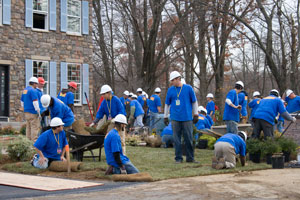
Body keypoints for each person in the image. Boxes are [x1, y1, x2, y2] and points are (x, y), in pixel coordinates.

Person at [164, 71, 199, 164]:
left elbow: (194, 102)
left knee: (189, 138)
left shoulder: (188, 88)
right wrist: (165, 116)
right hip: (175, 118)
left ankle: (190, 158)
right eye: (171, 80)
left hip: (187, 117)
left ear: (178, 79)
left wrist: (196, 114)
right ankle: (178, 158)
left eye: (173, 80)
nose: (172, 82)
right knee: (177, 139)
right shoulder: (170, 90)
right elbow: (167, 104)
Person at [90, 84, 126, 153]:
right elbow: (100, 113)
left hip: (120, 122)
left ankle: (122, 155)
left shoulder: (116, 100)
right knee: (110, 137)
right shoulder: (104, 102)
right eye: (102, 94)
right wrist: (94, 122)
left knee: (121, 139)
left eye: (104, 94)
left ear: (109, 93)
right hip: (110, 122)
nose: (102, 96)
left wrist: (116, 119)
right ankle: (112, 154)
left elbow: (121, 111)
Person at [21, 77, 41, 141]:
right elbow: (35, 101)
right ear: (34, 84)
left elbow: (22, 102)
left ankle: (28, 141)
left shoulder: (25, 90)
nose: (37, 86)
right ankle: (34, 142)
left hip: (26, 111)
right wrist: (38, 111)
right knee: (34, 127)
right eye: (37, 84)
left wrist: (25, 108)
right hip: (33, 112)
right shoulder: (33, 90)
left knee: (28, 127)